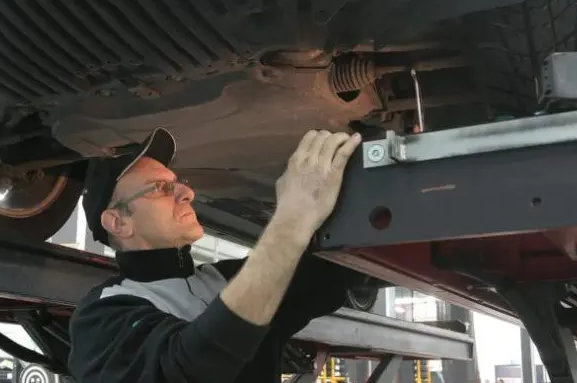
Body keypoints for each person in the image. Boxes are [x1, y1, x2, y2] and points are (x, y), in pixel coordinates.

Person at [67, 127, 378, 382]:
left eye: (178, 183)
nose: (186, 193)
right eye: (160, 187)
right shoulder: (103, 315)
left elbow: (340, 271)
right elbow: (191, 368)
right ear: (119, 222)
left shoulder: (224, 279)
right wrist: (292, 218)